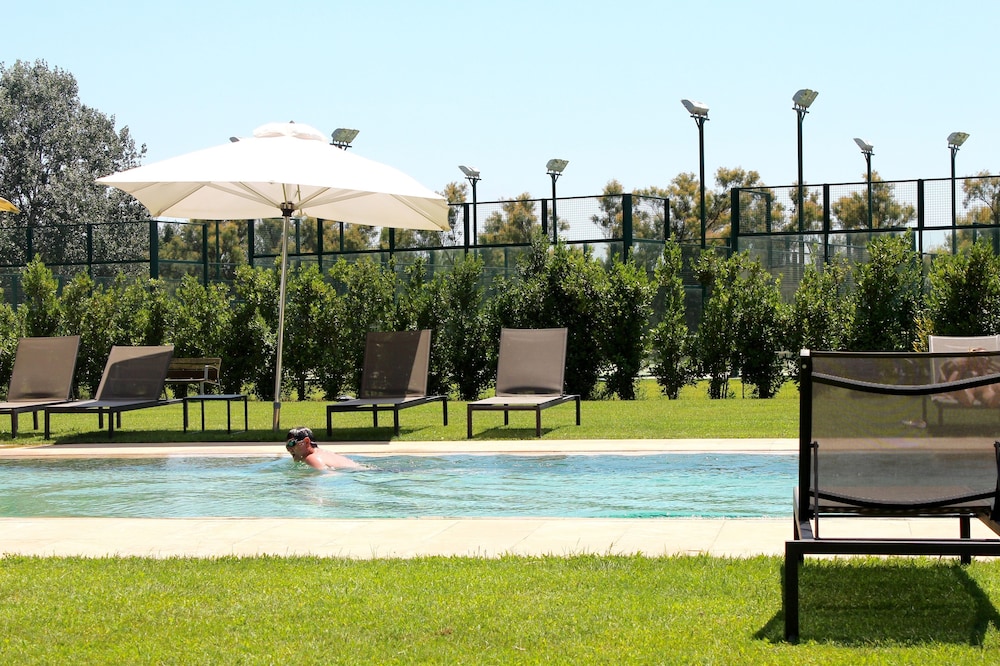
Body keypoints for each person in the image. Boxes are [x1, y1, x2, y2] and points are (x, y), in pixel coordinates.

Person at [285, 426, 362, 470]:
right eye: (287, 445)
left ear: (306, 442)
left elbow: (328, 476)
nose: (289, 449)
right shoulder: (324, 453)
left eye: (291, 443)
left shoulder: (311, 458)